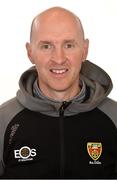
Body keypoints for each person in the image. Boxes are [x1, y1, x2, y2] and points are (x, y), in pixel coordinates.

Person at [0, 6, 117, 179]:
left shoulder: (113, 117)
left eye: (69, 45)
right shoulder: (4, 120)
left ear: (85, 50)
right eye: (46, 46)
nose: (59, 58)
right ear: (30, 52)